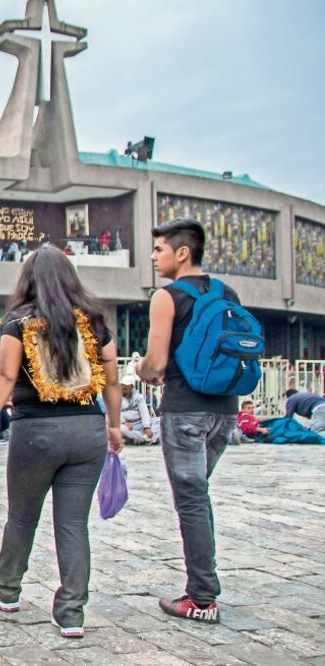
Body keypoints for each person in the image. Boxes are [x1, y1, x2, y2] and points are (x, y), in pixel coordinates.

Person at [0, 245, 123, 640]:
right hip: (88, 432)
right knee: (73, 524)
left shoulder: (19, 322)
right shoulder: (96, 322)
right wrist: (114, 426)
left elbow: (4, 378)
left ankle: (6, 588)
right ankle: (70, 613)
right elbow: (113, 380)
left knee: (22, 516)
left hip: (37, 433)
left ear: (27, 280)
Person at [135, 218, 241, 624]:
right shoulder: (226, 292)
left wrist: (142, 367)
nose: (153, 257)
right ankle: (203, 586)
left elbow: (157, 363)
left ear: (182, 252)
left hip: (185, 411)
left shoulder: (167, 297)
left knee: (191, 500)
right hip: (225, 411)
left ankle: (201, 598)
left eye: (158, 249)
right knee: (199, 495)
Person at [119, 373, 157, 445]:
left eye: (126, 385)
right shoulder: (115, 397)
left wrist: (146, 427)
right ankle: (142, 438)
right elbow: (112, 413)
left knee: (160, 422)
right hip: (124, 424)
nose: (123, 387)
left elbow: (144, 413)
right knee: (120, 429)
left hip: (139, 424)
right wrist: (124, 422)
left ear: (132, 387)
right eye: (122, 385)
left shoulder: (139, 397)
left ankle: (136, 439)